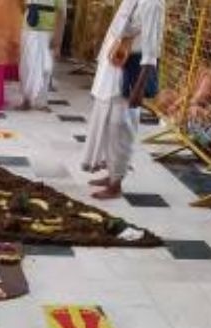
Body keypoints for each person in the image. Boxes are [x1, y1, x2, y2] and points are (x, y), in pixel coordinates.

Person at [80, 0, 164, 200]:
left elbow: (151, 52)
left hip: (128, 72)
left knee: (120, 127)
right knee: (108, 125)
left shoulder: (153, 3)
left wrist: (139, 88)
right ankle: (111, 173)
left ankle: (116, 184)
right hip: (113, 66)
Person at [17, 0, 65, 111]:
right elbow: (21, 6)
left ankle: (42, 102)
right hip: (28, 30)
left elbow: (61, 13)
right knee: (27, 66)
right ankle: (26, 99)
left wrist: (58, 37)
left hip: (48, 32)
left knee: (46, 67)